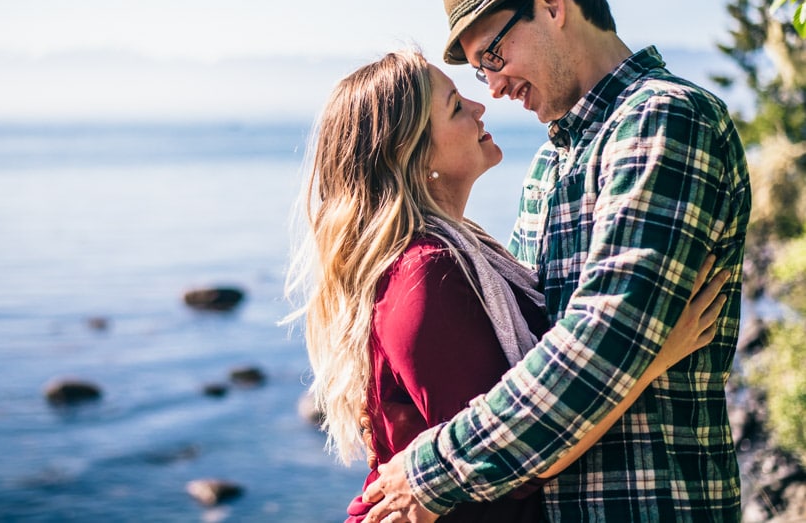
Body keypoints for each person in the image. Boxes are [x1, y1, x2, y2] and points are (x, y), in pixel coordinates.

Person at [359, 0, 752, 523]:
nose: (492, 86)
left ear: (550, 4)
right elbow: (533, 357)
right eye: (477, 70)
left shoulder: (663, 121)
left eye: (492, 54)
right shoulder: (551, 160)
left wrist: (428, 471)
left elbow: (602, 344)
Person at [284, 49, 730, 522]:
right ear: (414, 157)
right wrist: (649, 356)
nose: (480, 106)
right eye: (456, 105)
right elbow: (516, 459)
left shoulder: (462, 253)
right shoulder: (424, 276)